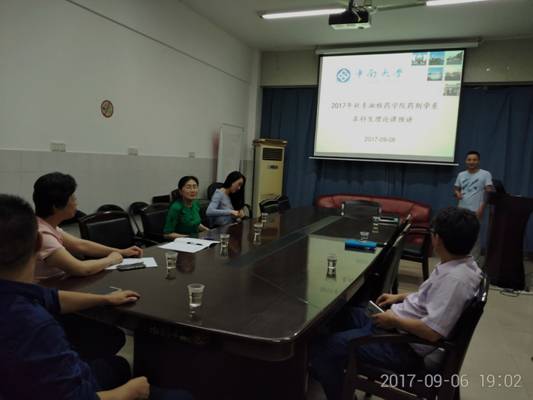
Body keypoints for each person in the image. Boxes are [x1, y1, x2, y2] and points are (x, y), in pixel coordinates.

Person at [0, 194, 192, 400]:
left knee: (118, 365)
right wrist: (130, 391)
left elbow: (52, 297)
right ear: (38, 243)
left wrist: (105, 299)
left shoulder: (20, 295)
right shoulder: (36, 325)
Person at [310, 207, 482, 400]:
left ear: (438, 239)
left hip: (402, 346)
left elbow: (432, 332)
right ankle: (325, 370)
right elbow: (432, 297)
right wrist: (400, 297)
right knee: (337, 316)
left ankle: (333, 382)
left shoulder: (455, 280)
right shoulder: (463, 266)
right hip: (396, 328)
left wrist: (394, 321)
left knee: (329, 348)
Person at [33, 172, 143, 279]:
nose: (76, 203)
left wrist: (122, 252)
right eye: (73, 198)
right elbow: (81, 269)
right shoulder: (43, 235)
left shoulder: (44, 225)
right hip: (49, 288)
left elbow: (80, 245)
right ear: (56, 206)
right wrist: (111, 259)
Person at [453, 150, 494, 261]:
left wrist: (482, 208)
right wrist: (457, 193)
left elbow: (489, 193)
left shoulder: (485, 174)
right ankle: (461, 259)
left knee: (474, 236)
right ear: (466, 161)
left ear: (478, 161)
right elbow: (456, 188)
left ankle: (474, 262)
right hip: (461, 209)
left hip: (476, 210)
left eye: (474, 160)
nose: (471, 162)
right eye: (469, 160)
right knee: (460, 235)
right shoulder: (461, 175)